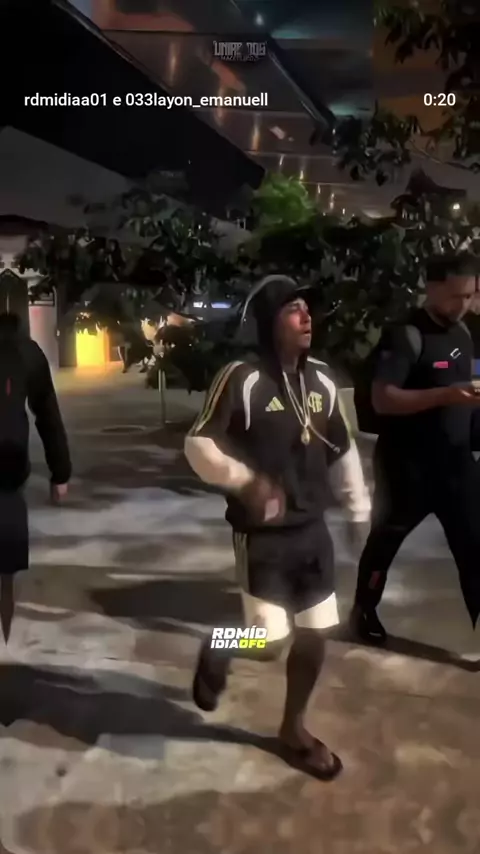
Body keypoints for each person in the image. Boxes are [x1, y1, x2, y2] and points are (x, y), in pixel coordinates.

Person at [184, 275, 370, 781]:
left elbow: (342, 449)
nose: (307, 317)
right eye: (293, 309)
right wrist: (245, 481)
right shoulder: (241, 377)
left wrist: (358, 509)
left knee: (316, 632)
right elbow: (198, 444)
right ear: (269, 322)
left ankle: (293, 728)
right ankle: (221, 644)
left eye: (308, 308)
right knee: (267, 642)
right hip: (263, 538)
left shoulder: (323, 381)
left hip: (312, 533)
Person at [349, 253, 480, 645]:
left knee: (475, 547)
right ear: (432, 287)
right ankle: (364, 610)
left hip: (457, 464)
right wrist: (446, 395)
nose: (463, 304)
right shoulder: (406, 335)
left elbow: (460, 397)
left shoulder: (462, 333)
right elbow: (383, 399)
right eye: (456, 295)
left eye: (470, 295)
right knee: (384, 543)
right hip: (407, 467)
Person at [0, 313, 71, 641]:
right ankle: (6, 635)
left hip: (9, 472)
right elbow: (48, 414)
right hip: (9, 471)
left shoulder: (25, 352)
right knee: (6, 571)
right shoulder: (26, 351)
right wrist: (60, 473)